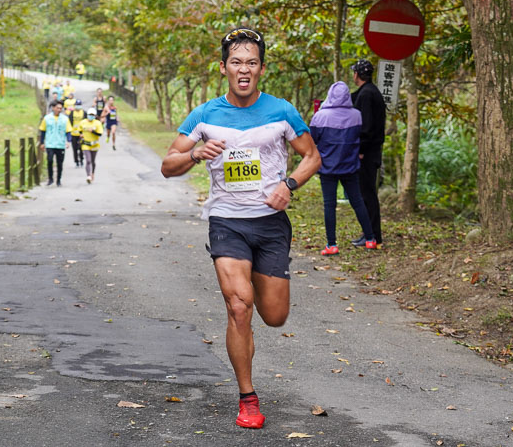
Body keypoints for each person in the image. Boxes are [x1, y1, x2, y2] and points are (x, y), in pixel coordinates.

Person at [160, 27, 320, 430]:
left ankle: (250, 338)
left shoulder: (282, 110)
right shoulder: (205, 115)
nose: (243, 69)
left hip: (270, 225)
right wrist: (195, 153)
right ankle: (247, 397)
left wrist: (289, 185)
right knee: (238, 306)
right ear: (223, 68)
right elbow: (168, 165)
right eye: (236, 62)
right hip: (227, 220)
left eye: (251, 62)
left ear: (261, 69)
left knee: (275, 315)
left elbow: (312, 157)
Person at [309, 81, 376, 256]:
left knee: (329, 205)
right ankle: (370, 239)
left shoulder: (320, 117)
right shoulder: (357, 116)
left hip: (328, 168)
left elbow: (312, 140)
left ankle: (332, 244)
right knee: (358, 202)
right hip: (350, 167)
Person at [349, 59, 386, 249]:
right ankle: (368, 232)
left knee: (367, 194)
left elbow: (368, 127)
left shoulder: (368, 95)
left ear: (357, 74)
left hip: (367, 153)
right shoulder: (368, 92)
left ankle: (373, 235)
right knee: (365, 193)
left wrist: (361, 150)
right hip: (370, 151)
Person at [38, 101, 70, 187]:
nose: (59, 110)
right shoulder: (47, 118)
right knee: (50, 160)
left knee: (60, 163)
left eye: (60, 108)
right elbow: (43, 131)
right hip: (50, 143)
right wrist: (42, 142)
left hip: (60, 144)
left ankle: (58, 180)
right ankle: (50, 178)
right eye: (57, 108)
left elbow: (68, 131)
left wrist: (68, 141)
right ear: (53, 108)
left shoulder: (65, 119)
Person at [78, 107, 104, 184]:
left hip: (94, 144)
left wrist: (93, 131)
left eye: (92, 115)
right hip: (86, 144)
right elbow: (80, 131)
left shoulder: (97, 123)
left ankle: (92, 173)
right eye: (90, 115)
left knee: (93, 161)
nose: (91, 116)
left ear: (95, 115)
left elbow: (100, 133)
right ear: (87, 115)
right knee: (88, 160)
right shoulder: (83, 122)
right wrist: (81, 135)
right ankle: (88, 176)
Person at [67, 98, 85, 167]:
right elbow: (69, 123)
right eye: (77, 105)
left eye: (79, 105)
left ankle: (81, 159)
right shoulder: (72, 113)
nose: (78, 106)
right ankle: (76, 161)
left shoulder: (84, 113)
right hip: (73, 133)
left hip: (81, 134)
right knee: (74, 148)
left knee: (81, 148)